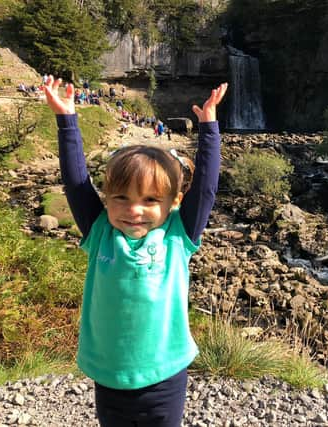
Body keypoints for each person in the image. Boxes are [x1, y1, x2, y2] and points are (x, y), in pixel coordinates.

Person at [42, 75, 227, 427]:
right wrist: (67, 121)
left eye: (150, 200)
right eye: (121, 198)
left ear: (174, 202)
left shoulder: (178, 234)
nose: (134, 210)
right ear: (108, 200)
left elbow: (206, 189)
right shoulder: (101, 233)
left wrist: (209, 127)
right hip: (109, 377)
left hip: (165, 377)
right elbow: (77, 184)